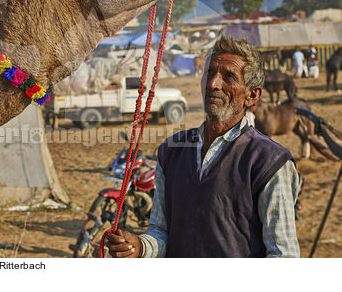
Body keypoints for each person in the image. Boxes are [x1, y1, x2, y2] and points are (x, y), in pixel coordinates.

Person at [107, 35, 301, 258]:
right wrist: (141, 247)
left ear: (252, 95)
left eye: (229, 76)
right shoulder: (170, 152)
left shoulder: (270, 162)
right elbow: (161, 232)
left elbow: (283, 255)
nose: (213, 84)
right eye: (209, 73)